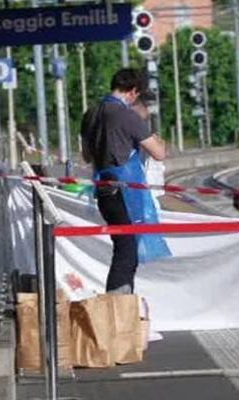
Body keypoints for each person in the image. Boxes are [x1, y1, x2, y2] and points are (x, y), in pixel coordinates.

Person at [80, 68, 167, 294]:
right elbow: (158, 153)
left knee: (123, 248)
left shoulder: (91, 114)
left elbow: (87, 156)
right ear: (134, 92)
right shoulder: (127, 115)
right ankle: (118, 306)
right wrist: (159, 141)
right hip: (124, 193)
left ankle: (120, 304)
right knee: (127, 253)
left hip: (104, 192)